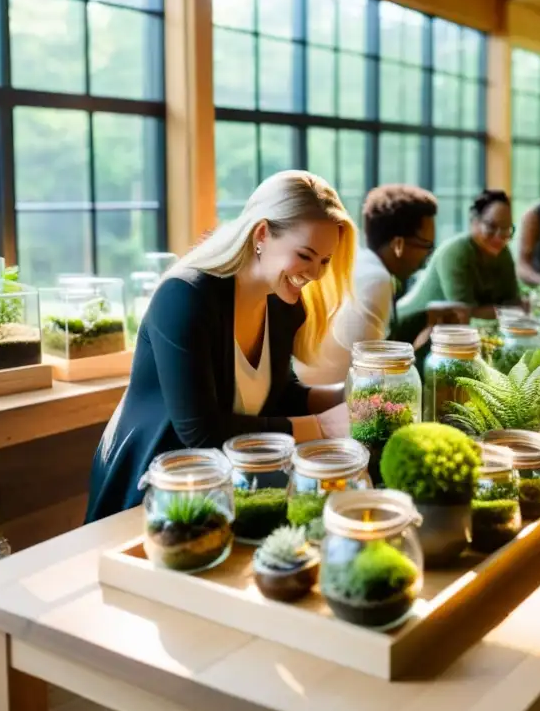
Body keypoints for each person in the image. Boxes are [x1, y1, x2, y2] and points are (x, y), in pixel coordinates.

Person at [86, 170, 358, 523]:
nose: (316, 274)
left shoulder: (282, 302)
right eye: (305, 255)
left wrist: (352, 393)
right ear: (262, 234)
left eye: (325, 261)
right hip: (153, 498)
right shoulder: (184, 297)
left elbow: (278, 393)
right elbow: (201, 432)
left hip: (224, 494)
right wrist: (322, 427)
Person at [293, 184, 437, 385]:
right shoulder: (377, 279)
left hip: (316, 389)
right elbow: (372, 372)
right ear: (398, 244)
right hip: (336, 399)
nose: (428, 257)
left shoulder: (359, 263)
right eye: (426, 246)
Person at [393, 189, 521, 345]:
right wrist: (505, 310)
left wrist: (503, 310)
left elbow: (514, 302)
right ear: (473, 221)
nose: (499, 236)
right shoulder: (456, 252)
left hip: (445, 335)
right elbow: (464, 312)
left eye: (506, 229)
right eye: (491, 226)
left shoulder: (503, 252)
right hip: (406, 332)